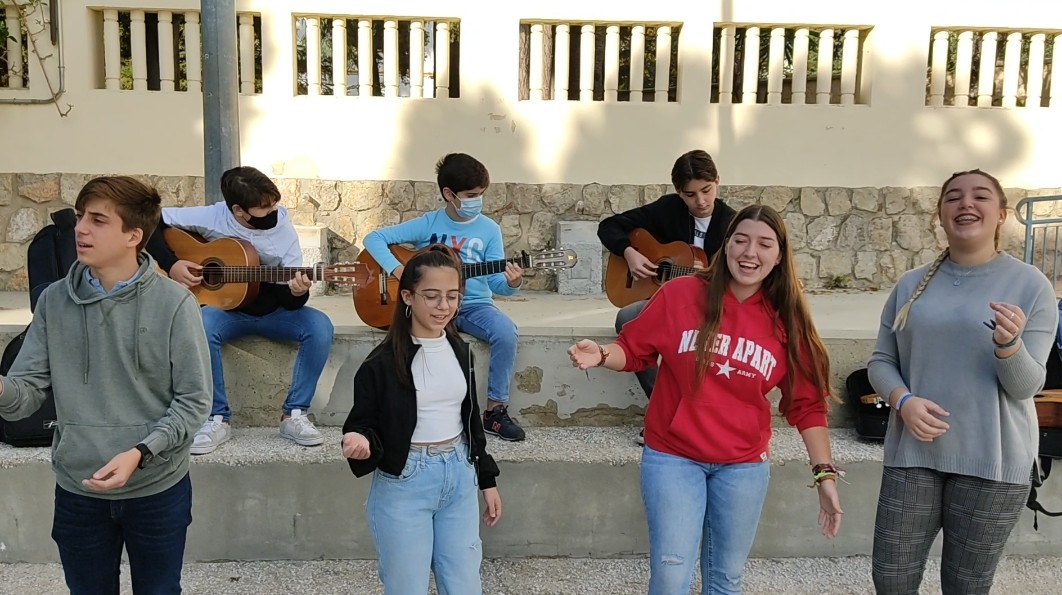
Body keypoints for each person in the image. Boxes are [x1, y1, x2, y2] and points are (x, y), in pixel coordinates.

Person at [570, 205, 843, 595]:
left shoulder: (787, 319)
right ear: (726, 244)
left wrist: (824, 475)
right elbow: (633, 349)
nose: (750, 252)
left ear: (779, 255)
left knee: (726, 580)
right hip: (673, 457)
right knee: (671, 577)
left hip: (743, 466)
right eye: (741, 240)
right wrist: (600, 354)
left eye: (764, 244)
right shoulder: (681, 293)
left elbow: (807, 404)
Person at [0, 176, 211, 593]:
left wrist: (140, 452)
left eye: (97, 220)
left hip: (157, 487)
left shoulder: (175, 303)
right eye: (81, 217)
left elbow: (193, 402)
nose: (80, 229)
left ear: (134, 235)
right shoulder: (54, 302)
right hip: (79, 487)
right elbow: (24, 398)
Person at [867, 169, 1058, 595]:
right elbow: (881, 361)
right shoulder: (910, 284)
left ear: (1002, 214)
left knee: (965, 586)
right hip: (913, 453)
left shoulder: (1031, 286)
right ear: (940, 215)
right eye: (953, 197)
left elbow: (1026, 386)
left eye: (980, 196)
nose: (965, 204)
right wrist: (903, 401)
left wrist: (1008, 346)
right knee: (891, 579)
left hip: (993, 460)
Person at [342, 246, 503, 595]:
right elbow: (363, 421)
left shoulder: (462, 350)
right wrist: (360, 439)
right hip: (405, 482)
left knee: (464, 584)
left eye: (452, 296)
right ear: (407, 297)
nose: (443, 306)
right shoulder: (381, 362)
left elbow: (471, 419)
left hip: (459, 474)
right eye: (431, 296)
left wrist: (486, 479)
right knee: (406, 587)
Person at [146, 166, 334, 453]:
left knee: (320, 326)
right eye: (263, 208)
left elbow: (290, 300)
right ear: (238, 211)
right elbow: (152, 220)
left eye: (274, 203)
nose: (273, 211)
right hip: (224, 312)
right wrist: (172, 264)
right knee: (200, 325)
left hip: (274, 312)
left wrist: (299, 292)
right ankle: (217, 418)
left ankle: (294, 414)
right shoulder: (214, 216)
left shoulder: (283, 231)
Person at [363, 153, 526, 441]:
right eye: (471, 195)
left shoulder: (489, 229)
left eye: (481, 194)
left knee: (507, 332)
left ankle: (494, 411)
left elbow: (496, 283)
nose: (478, 200)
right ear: (449, 194)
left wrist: (512, 283)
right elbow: (373, 239)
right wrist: (400, 270)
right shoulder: (429, 224)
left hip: (474, 305)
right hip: (430, 307)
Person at [598, 150, 736, 443]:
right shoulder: (669, 209)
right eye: (690, 194)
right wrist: (630, 253)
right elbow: (609, 226)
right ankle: (666, 409)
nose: (700, 201)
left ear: (717, 182)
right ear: (678, 192)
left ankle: (690, 417)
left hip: (707, 305)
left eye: (706, 190)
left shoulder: (732, 224)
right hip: (666, 301)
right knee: (627, 318)